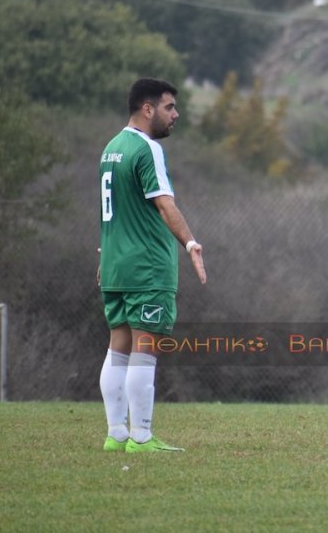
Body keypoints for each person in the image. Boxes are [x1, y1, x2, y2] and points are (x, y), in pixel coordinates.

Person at [98, 77, 206, 453]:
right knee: (145, 348)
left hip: (114, 265)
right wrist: (190, 242)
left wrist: (104, 253)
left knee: (118, 347)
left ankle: (117, 434)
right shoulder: (146, 149)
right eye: (169, 107)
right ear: (148, 109)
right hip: (146, 266)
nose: (175, 115)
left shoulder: (111, 148)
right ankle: (141, 436)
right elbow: (164, 203)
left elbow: (115, 213)